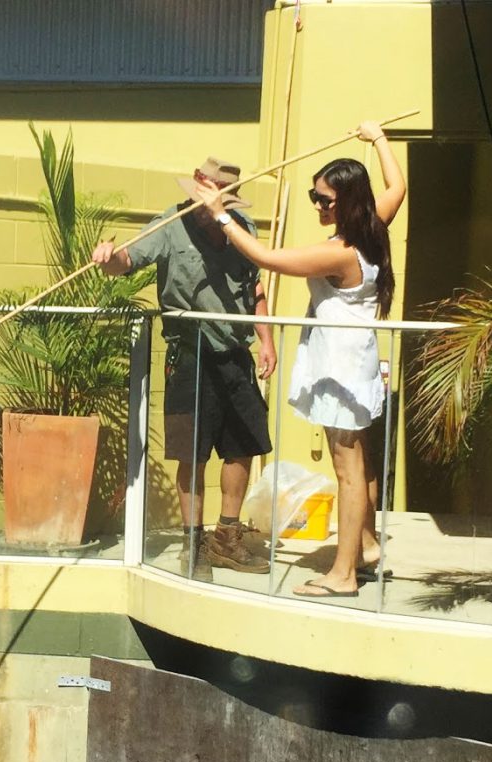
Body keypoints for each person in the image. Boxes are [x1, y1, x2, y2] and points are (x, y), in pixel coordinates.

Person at [189, 121, 405, 598]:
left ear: (348, 202)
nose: (318, 206)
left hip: (342, 368)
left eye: (325, 199)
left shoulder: (344, 252)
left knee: (348, 472)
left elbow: (267, 258)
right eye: (314, 197)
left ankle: (343, 575)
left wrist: (221, 214)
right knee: (356, 464)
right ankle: (365, 547)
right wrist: (379, 139)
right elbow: (398, 185)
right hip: (354, 365)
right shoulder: (374, 225)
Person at [92, 157, 278, 582]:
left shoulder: (242, 228)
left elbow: (256, 288)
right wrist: (108, 259)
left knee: (243, 444)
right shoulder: (169, 225)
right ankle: (193, 545)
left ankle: (226, 538)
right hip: (189, 355)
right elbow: (126, 260)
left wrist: (266, 340)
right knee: (191, 451)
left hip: (235, 353)